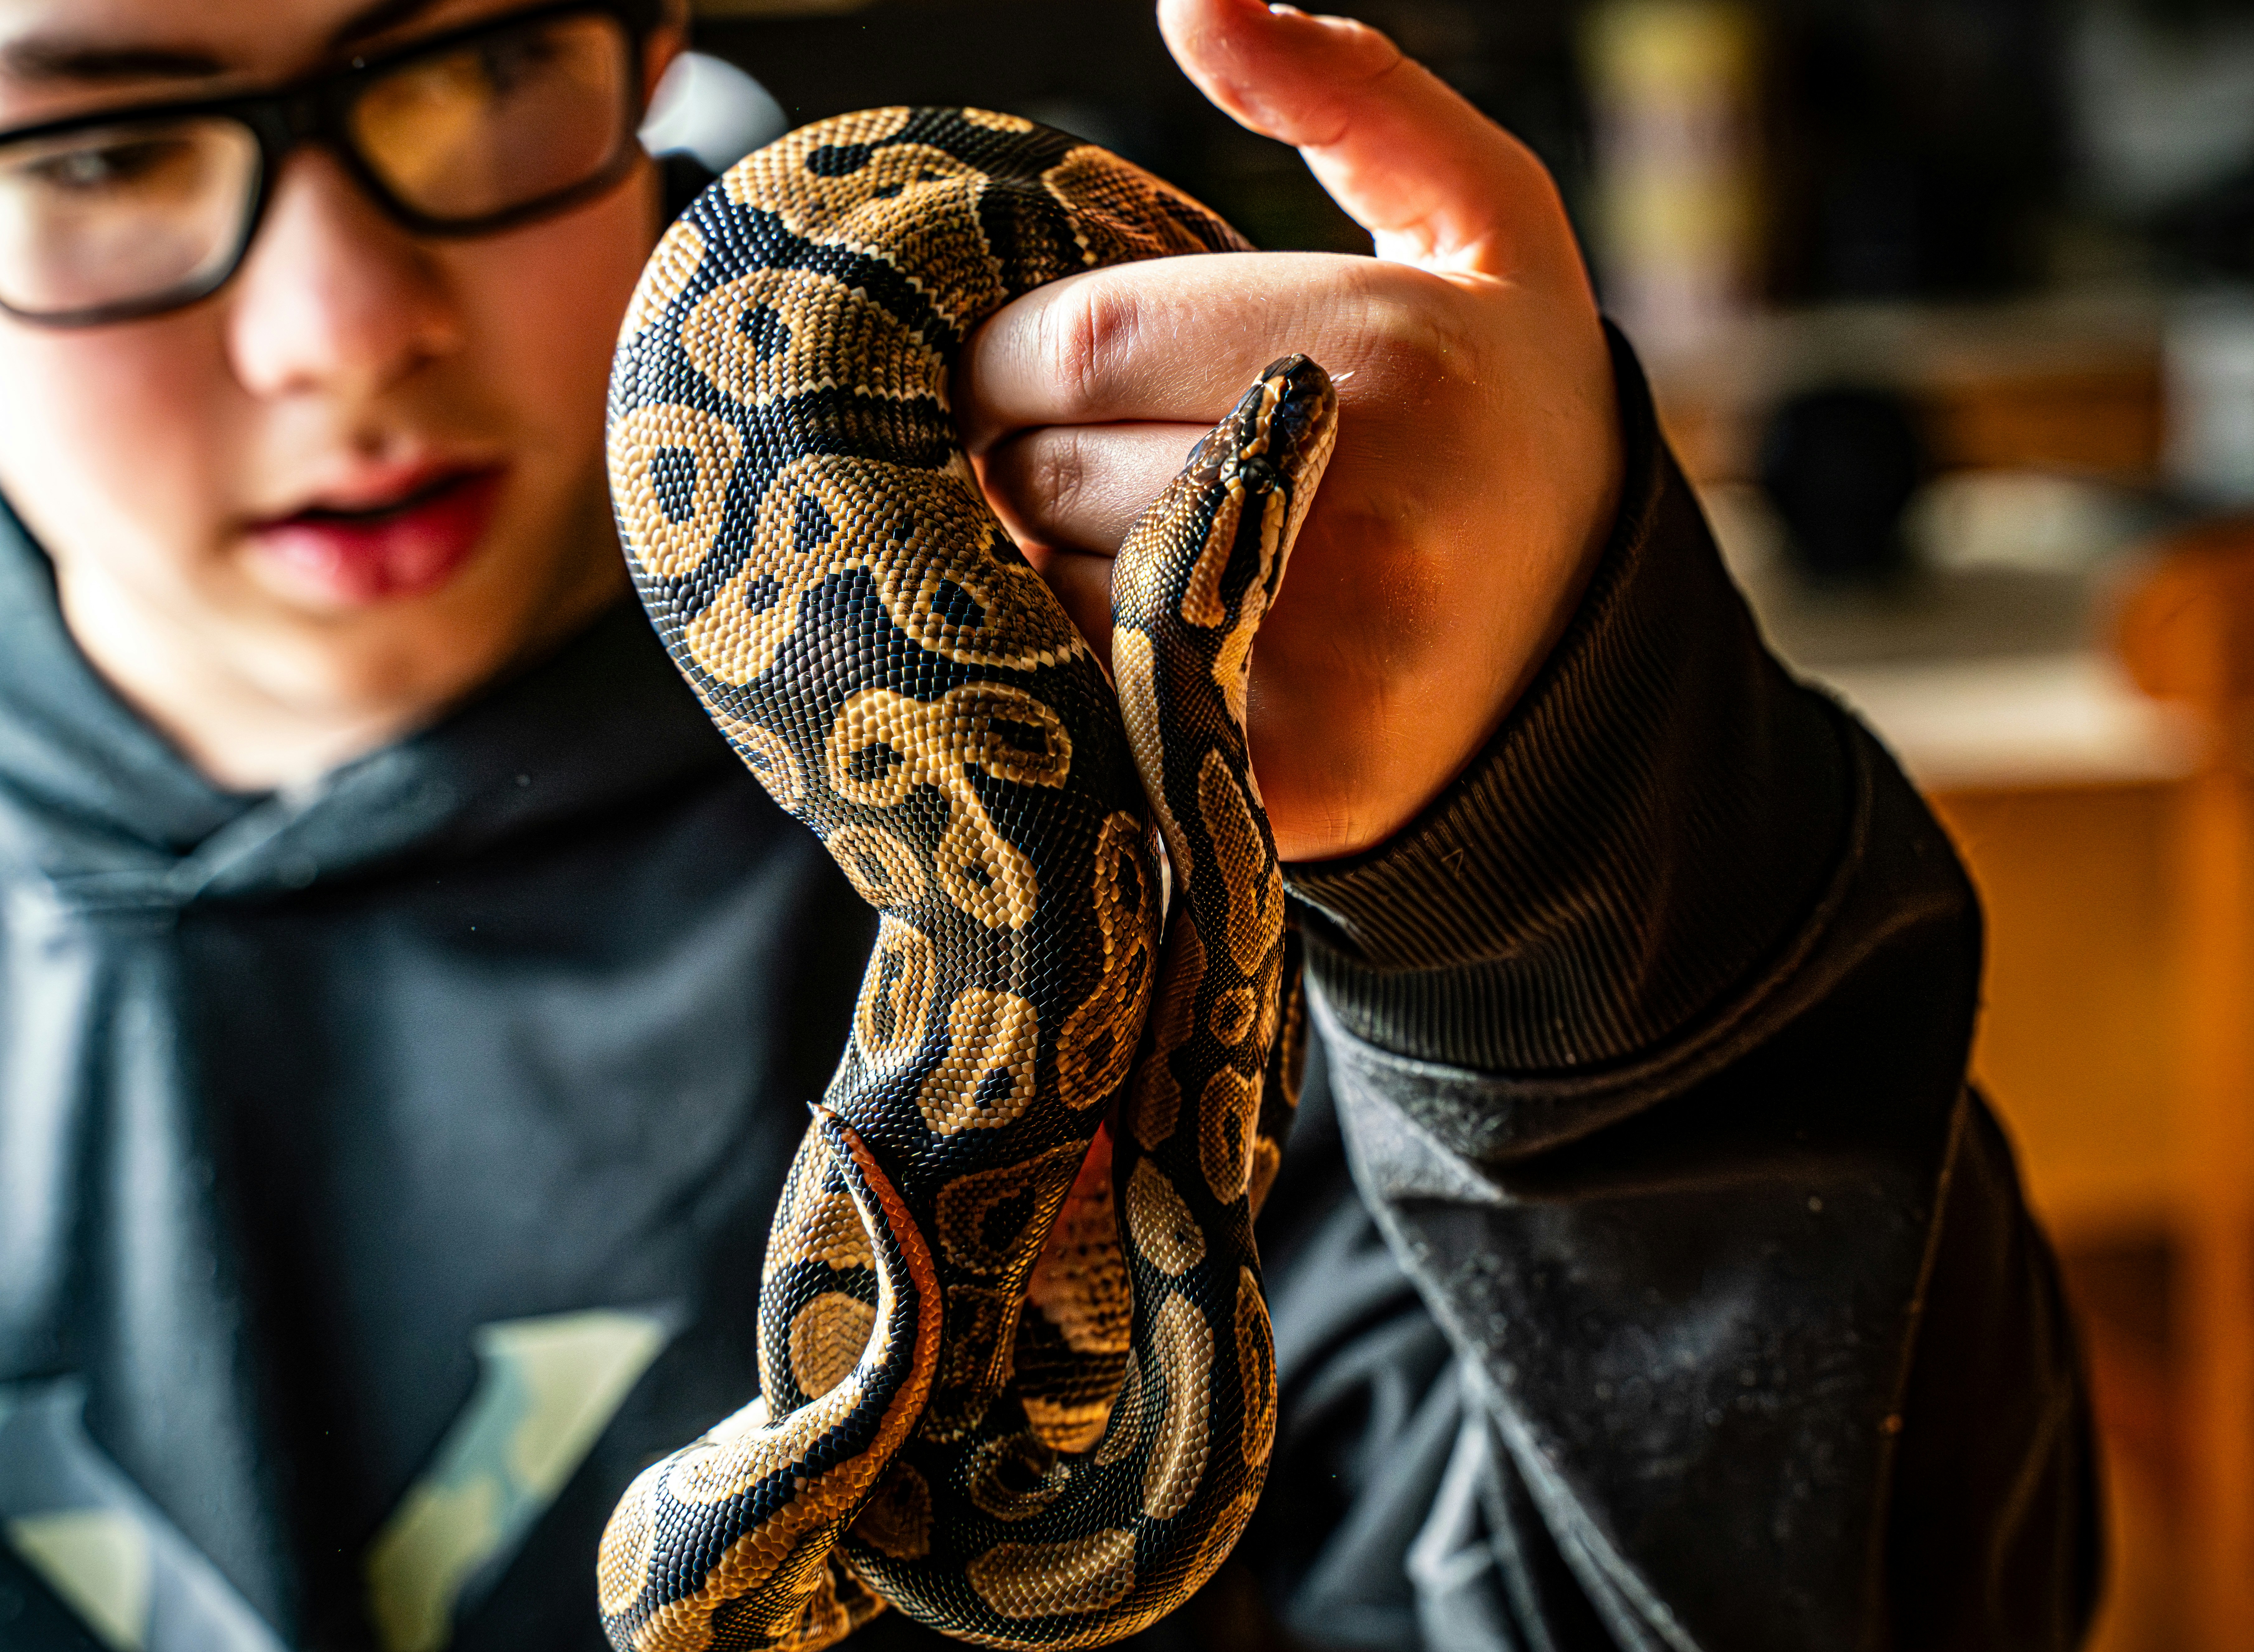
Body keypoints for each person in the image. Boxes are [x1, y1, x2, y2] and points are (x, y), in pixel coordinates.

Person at [0, 0, 2096, 1647]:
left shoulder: (1284, 781)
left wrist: (1556, 825)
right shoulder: (1140, 902)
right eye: (88, 143)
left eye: (468, 64)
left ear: (656, 52)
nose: (343, 330)